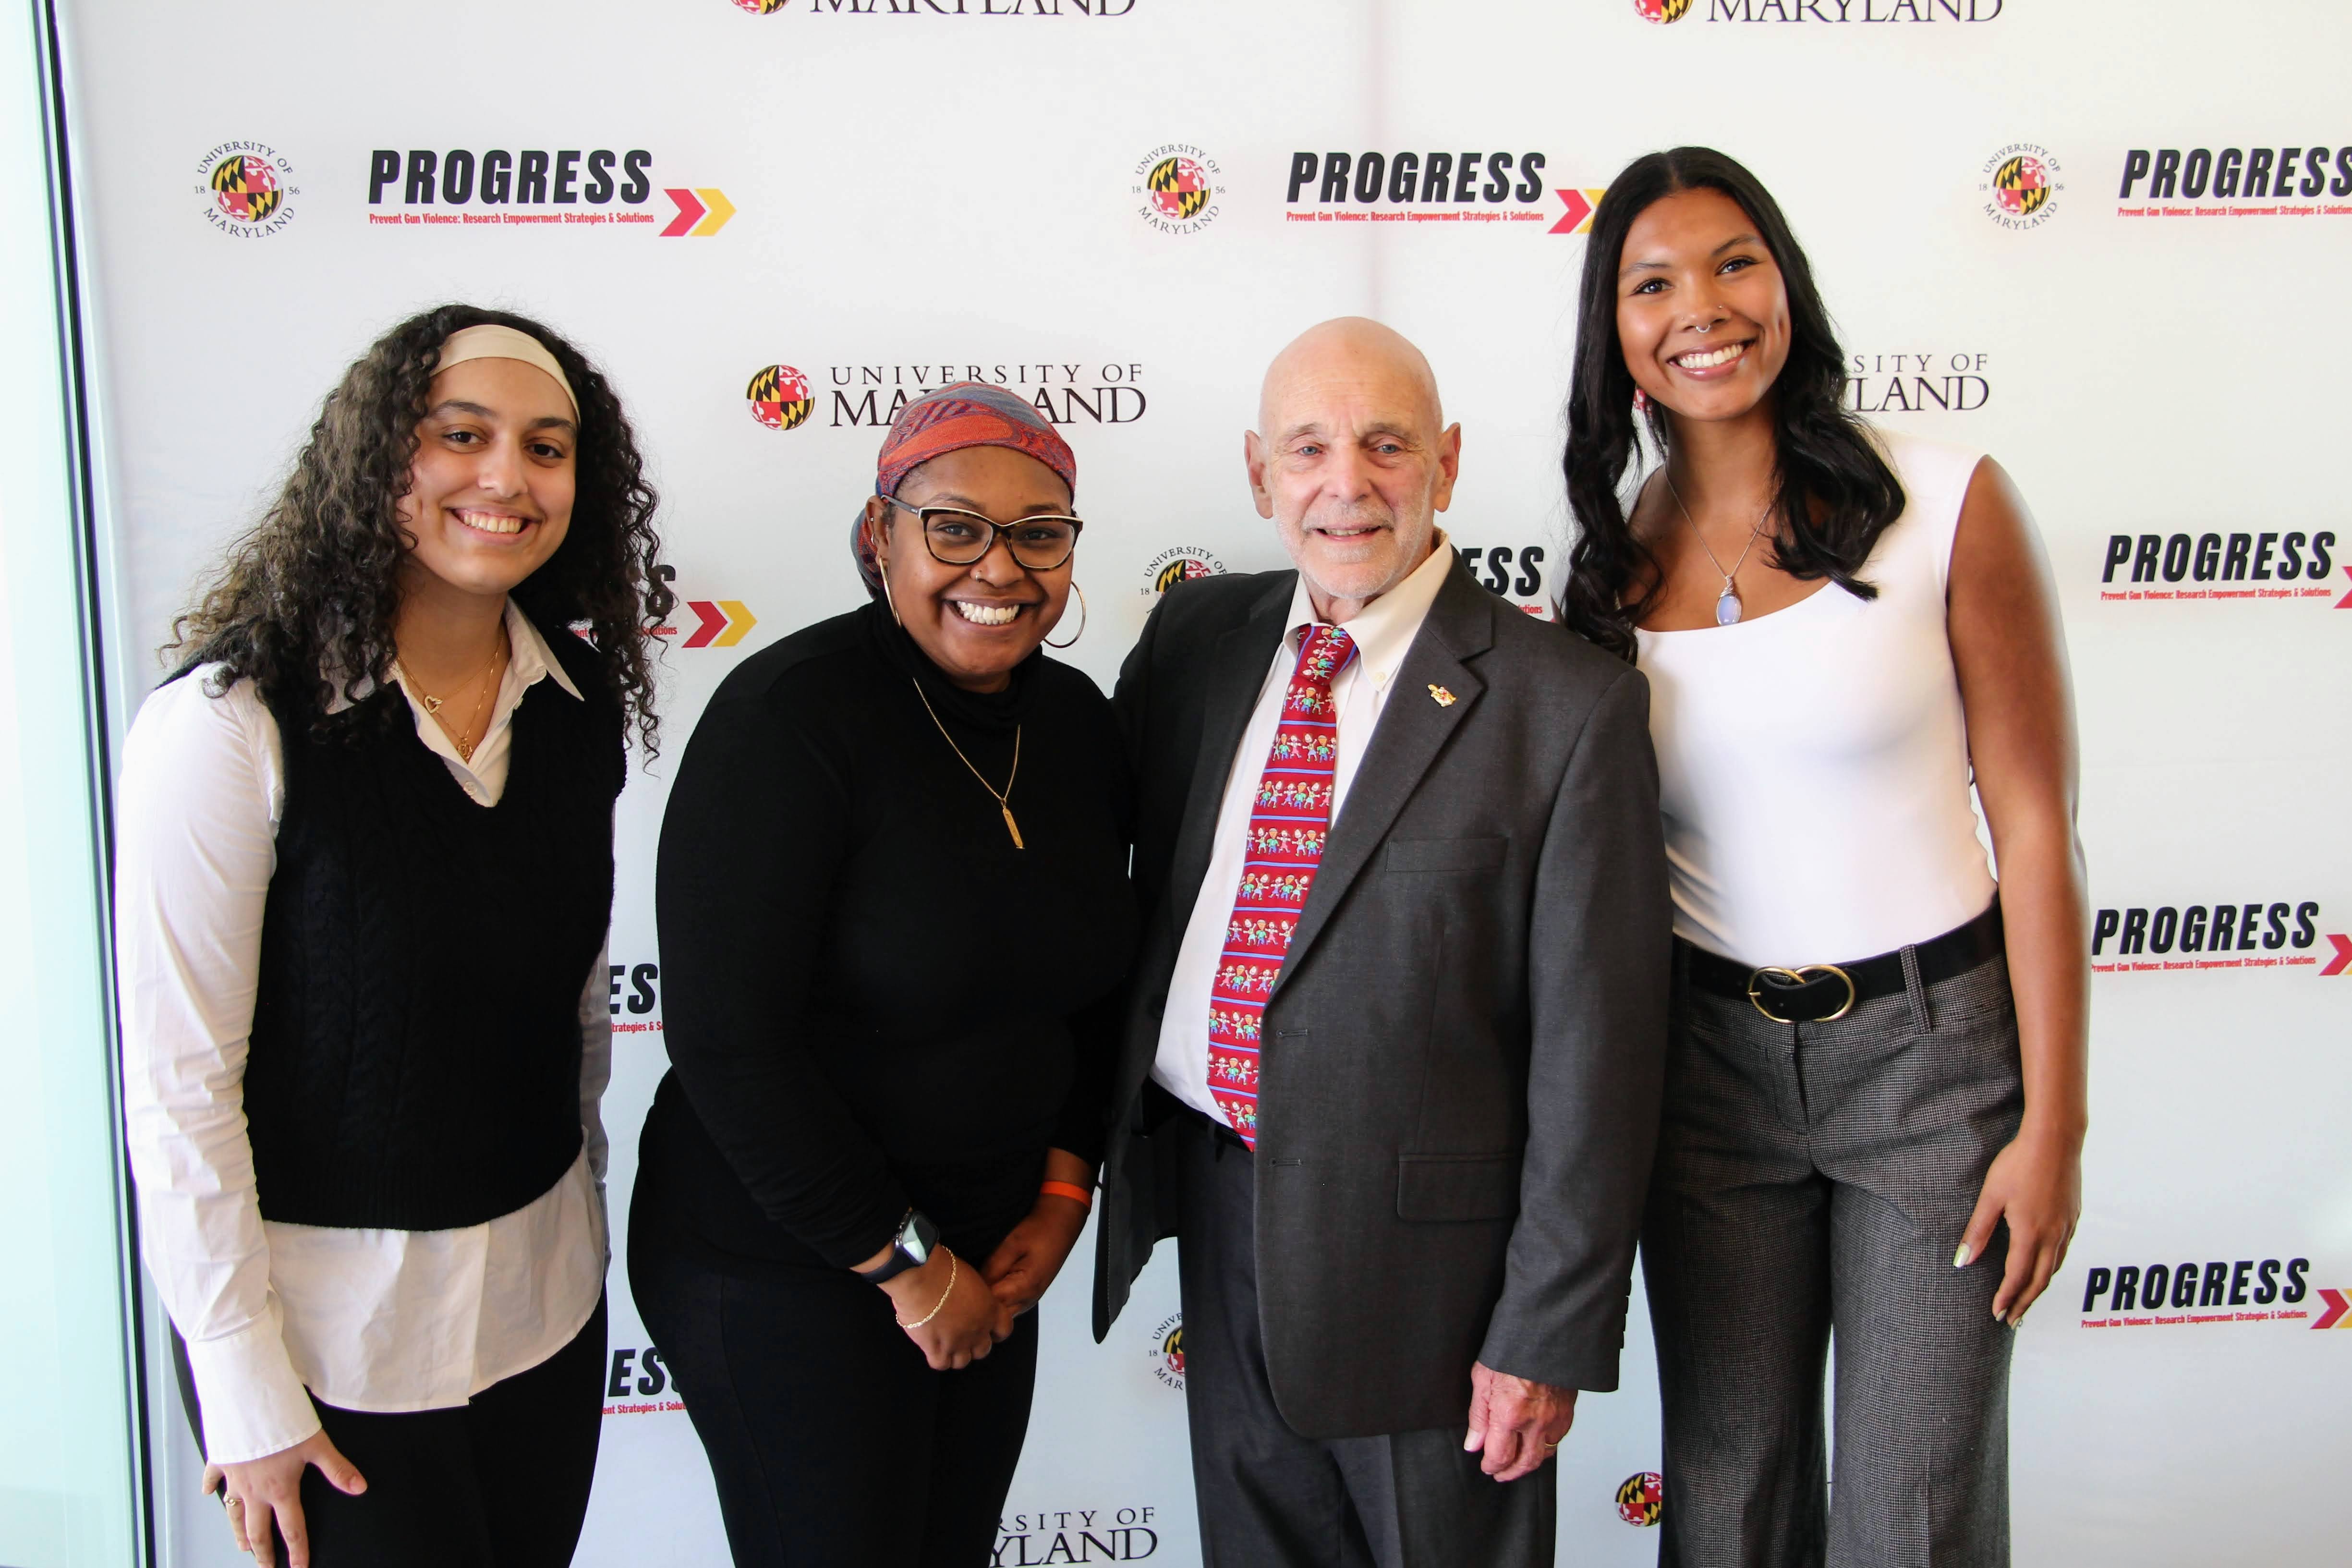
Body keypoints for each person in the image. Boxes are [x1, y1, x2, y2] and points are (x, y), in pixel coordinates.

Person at [1557, 147, 2089, 1566]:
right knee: (1727, 1497)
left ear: (1783, 280)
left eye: (1735, 262)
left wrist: (2055, 1128)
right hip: (1707, 1074)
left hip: (1935, 1063)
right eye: (1651, 283)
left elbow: (2035, 827)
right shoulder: (1607, 564)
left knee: (1912, 1509)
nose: (1702, 308)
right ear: (1613, 332)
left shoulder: (1945, 500)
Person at [1091, 318, 1671, 1568]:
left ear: (1446, 464)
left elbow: (1601, 1058)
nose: (1344, 483)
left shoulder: (1563, 706)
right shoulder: (1198, 644)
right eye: (1307, 448)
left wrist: (1546, 1330)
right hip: (1221, 1202)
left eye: (1384, 445)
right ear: (1259, 474)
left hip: (1439, 1284)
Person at [115, 305, 672, 1568]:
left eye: (546, 446)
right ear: (378, 460)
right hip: (330, 1351)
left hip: (545, 1309)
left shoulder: (574, 708)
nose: (506, 478)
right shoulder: (230, 724)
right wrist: (244, 1388)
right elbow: (178, 1086)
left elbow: (573, 1015)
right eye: (459, 436)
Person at [631, 382, 1137, 1568]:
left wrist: (1064, 1198)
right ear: (880, 538)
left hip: (992, 1256)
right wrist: (909, 1271)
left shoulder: (1076, 725)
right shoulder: (788, 717)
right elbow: (727, 1044)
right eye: (953, 526)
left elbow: (1095, 989)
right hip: (792, 1266)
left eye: (1039, 532)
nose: (997, 567)